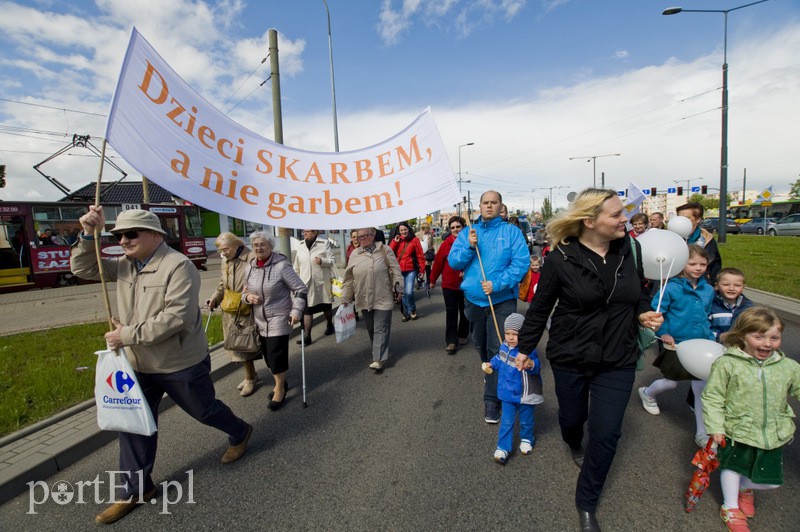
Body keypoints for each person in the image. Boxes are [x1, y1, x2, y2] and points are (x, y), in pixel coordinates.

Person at [71, 207, 252, 524]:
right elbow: (84, 268)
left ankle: (240, 431)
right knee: (134, 425)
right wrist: (89, 234)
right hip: (136, 363)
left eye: (131, 233)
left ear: (155, 235)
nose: (123, 240)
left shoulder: (178, 266)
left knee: (204, 409)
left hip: (178, 362)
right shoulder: (126, 266)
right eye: (118, 235)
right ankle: (137, 489)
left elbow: (176, 317)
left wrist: (126, 334)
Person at [515, 188, 663, 532]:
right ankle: (572, 440)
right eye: (616, 214)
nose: (624, 218)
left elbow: (638, 294)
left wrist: (643, 313)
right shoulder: (559, 259)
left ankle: (586, 502)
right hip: (571, 355)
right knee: (572, 418)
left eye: (623, 212)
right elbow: (540, 309)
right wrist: (525, 348)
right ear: (589, 221)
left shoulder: (630, 249)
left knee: (607, 431)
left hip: (618, 356)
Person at [702, 307, 800, 532]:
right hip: (737, 429)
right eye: (759, 337)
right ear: (742, 336)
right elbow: (713, 396)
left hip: (773, 432)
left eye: (774, 338)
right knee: (732, 467)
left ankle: (745, 488)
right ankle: (730, 507)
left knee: (771, 480)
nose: (767, 343)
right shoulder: (728, 363)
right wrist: (716, 426)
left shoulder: (788, 367)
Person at [448, 190, 530, 424]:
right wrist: (469, 247)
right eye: (485, 202)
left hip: (501, 301)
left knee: (498, 348)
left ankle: (492, 400)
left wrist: (498, 283)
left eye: (494, 203)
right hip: (474, 300)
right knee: (480, 345)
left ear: (501, 206)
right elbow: (454, 262)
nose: (489, 206)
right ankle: (490, 371)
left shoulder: (511, 232)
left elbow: (521, 263)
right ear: (479, 206)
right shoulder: (468, 233)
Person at [638, 245, 715, 448]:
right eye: (693, 263)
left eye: (702, 264)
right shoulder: (671, 287)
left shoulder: (708, 289)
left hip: (702, 342)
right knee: (671, 382)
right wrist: (662, 332)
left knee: (700, 388)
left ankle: (702, 432)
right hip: (676, 343)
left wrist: (711, 336)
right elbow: (656, 312)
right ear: (682, 265)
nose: (698, 268)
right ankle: (647, 393)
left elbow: (707, 314)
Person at [242, 231, 307, 411]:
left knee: (276, 355)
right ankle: (281, 381)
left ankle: (279, 389)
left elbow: (300, 289)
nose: (259, 248)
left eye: (263, 244)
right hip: (260, 319)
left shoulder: (281, 266)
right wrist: (248, 298)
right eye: (255, 245)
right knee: (268, 357)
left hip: (279, 317)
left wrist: (296, 311)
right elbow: (243, 292)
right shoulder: (250, 267)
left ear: (271, 247)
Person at [481, 313, 543, 464]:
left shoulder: (528, 350)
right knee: (507, 422)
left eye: (515, 334)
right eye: (507, 333)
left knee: (526, 420)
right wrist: (491, 364)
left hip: (524, 394)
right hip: (507, 393)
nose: (510, 337)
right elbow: (499, 359)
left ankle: (527, 439)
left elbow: (536, 366)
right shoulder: (504, 346)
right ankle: (503, 447)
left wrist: (530, 365)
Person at [205, 232, 260, 396]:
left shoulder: (252, 257)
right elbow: (223, 284)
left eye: (226, 249)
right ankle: (250, 375)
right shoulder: (225, 260)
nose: (223, 253)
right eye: (221, 250)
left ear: (237, 245)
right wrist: (215, 298)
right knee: (238, 343)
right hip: (230, 308)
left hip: (247, 307)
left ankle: (253, 377)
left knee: (246, 343)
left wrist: (250, 296)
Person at [341, 227, 403, 371]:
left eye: (364, 236)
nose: (360, 239)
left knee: (381, 327)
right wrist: (346, 296)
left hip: (383, 295)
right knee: (371, 327)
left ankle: (378, 359)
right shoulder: (355, 254)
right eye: (358, 237)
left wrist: (398, 289)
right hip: (363, 296)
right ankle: (378, 348)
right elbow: (348, 278)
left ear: (373, 235)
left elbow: (396, 271)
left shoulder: (385, 250)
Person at [429, 216, 469, 354]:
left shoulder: (471, 243)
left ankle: (463, 333)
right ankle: (451, 341)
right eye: (452, 227)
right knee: (451, 313)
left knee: (465, 312)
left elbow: (477, 262)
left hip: (467, 285)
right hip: (449, 285)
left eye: (458, 227)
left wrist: (468, 272)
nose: (455, 230)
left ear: (463, 227)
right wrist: (432, 280)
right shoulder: (446, 244)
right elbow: (438, 263)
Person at [293, 229, 335, 345]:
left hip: (321, 283)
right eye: (303, 231)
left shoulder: (324, 243)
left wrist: (322, 261)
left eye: (308, 231)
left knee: (326, 307)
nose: (305, 233)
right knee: (307, 310)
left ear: (316, 233)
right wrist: (295, 282)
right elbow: (296, 266)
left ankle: (330, 324)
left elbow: (332, 261)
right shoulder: (300, 245)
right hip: (305, 284)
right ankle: (307, 336)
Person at [676, 202, 722, 284]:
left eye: (686, 218)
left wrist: (713, 283)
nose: (682, 221)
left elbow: (714, 265)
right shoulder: (670, 238)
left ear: (698, 219)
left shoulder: (707, 239)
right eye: (680, 218)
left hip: (699, 284)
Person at [389, 221, 425, 321]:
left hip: (411, 269)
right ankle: (406, 312)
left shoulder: (415, 240)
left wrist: (422, 270)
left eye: (405, 229)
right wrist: (394, 242)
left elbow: (420, 255)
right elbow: (390, 253)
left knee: (409, 291)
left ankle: (412, 309)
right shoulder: (396, 240)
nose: (403, 232)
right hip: (399, 269)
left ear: (408, 229)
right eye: (401, 230)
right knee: (403, 292)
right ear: (398, 231)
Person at [709, 267, 753, 341]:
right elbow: (704, 328)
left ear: (743, 287)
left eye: (737, 285)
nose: (731, 288)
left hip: (739, 346)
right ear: (716, 286)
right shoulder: (710, 304)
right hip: (715, 345)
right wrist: (719, 336)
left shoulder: (747, 306)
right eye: (726, 284)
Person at [417, 222, 435, 288]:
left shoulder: (430, 235)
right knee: (420, 269)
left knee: (428, 269)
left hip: (427, 254)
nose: (427, 230)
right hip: (420, 254)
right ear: (422, 228)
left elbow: (432, 243)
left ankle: (428, 282)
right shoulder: (418, 235)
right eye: (425, 228)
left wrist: (431, 249)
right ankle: (419, 282)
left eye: (428, 228)